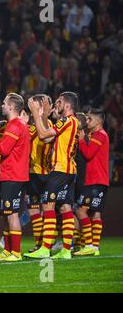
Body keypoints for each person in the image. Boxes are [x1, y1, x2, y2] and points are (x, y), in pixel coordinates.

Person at [25, 92, 80, 259]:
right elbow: (48, 140)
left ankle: (45, 248)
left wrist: (35, 112)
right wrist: (43, 115)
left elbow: (42, 135)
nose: (57, 105)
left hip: (60, 169)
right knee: (65, 207)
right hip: (70, 170)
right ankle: (65, 250)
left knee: (48, 205)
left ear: (67, 105)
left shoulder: (66, 120)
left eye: (59, 102)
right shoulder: (74, 121)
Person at [0, 92, 30, 262]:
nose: (2, 105)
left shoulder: (15, 126)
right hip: (11, 174)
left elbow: (3, 149)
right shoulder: (15, 124)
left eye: (4, 103)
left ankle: (15, 252)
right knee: (7, 213)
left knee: (12, 215)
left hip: (13, 176)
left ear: (11, 106)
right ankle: (8, 250)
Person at [74, 108, 109, 256]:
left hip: (96, 181)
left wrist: (81, 139)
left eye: (90, 119)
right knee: (95, 214)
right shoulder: (97, 135)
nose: (87, 121)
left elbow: (88, 154)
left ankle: (88, 244)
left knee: (81, 211)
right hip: (98, 180)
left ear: (99, 121)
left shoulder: (99, 135)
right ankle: (95, 247)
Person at [26, 94, 53, 253]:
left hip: (45, 173)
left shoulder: (46, 124)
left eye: (37, 106)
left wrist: (41, 113)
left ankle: (47, 245)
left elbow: (44, 137)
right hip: (31, 173)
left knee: (47, 209)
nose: (33, 109)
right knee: (33, 211)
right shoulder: (30, 126)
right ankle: (38, 244)